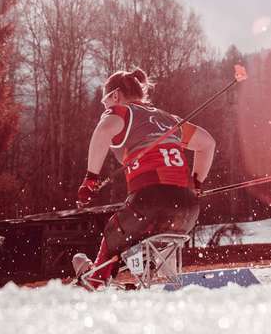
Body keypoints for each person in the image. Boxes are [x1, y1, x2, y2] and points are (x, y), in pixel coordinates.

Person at [72, 68, 216, 287]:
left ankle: (94, 280)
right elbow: (207, 143)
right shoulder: (170, 120)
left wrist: (90, 178)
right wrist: (196, 183)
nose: (105, 107)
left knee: (114, 230)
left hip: (150, 203)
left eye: (105, 101)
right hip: (188, 210)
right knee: (140, 234)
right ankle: (139, 268)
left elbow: (103, 131)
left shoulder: (122, 111)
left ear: (116, 95)